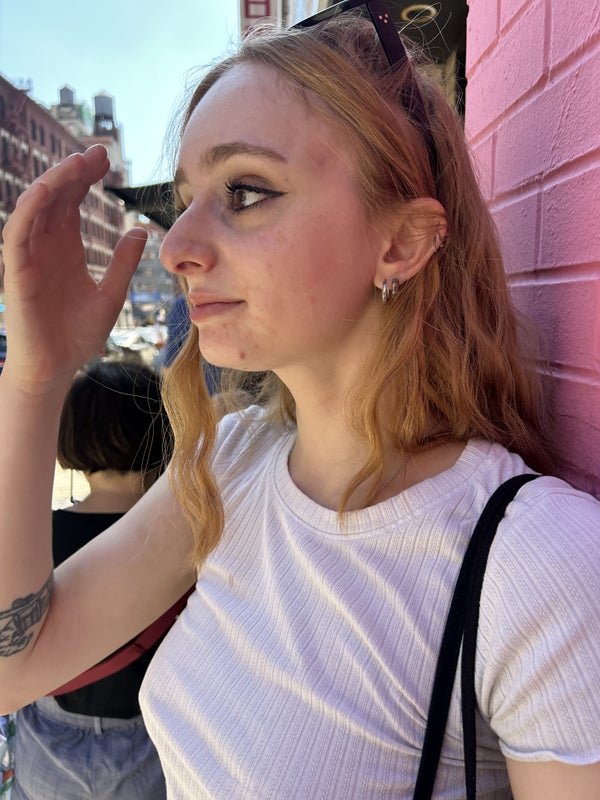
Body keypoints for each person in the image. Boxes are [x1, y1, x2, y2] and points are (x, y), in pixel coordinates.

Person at [1, 3, 599, 797]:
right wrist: (35, 378)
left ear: (401, 242)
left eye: (246, 191)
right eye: (187, 200)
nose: (177, 248)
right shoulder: (232, 464)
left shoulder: (537, 561)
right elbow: (15, 666)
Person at [11, 360, 172, 800]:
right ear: (165, 429)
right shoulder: (184, 536)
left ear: (70, 436)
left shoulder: (33, 540)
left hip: (50, 743)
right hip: (152, 744)